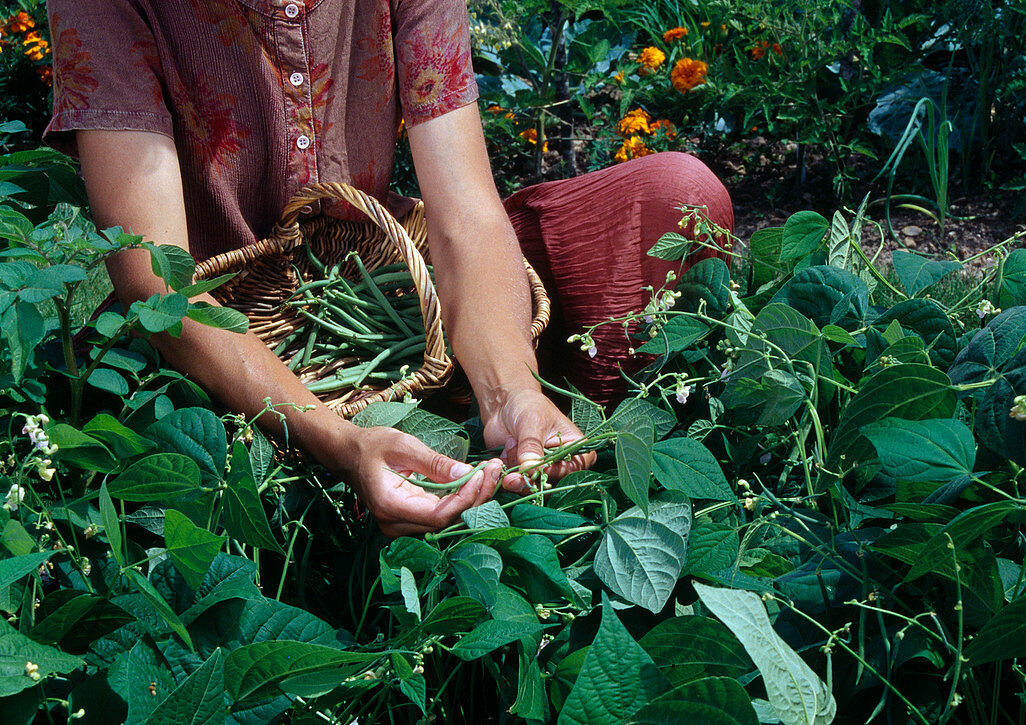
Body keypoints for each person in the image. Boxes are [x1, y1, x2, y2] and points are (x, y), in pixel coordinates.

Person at [44, 0, 733, 536]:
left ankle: (512, 427)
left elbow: (466, 215)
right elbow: (156, 283)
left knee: (677, 201)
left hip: (391, 293)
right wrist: (336, 440)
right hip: (212, 346)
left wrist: (510, 391)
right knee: (168, 452)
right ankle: (367, 463)